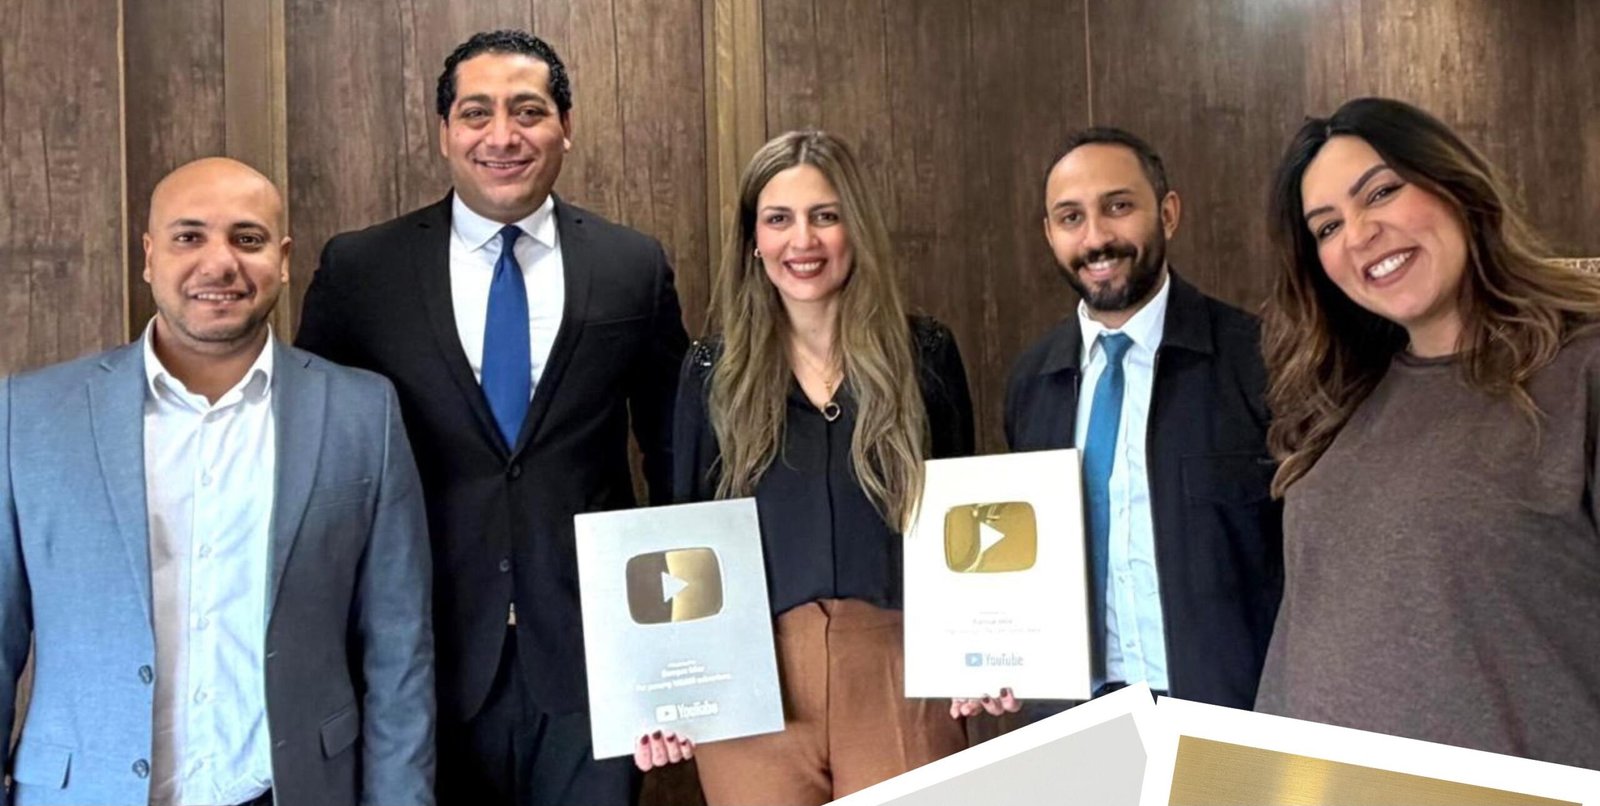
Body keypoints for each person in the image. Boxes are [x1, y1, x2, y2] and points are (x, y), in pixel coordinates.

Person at [295, 29, 688, 805]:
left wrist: (678, 660)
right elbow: (315, 464)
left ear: (565, 126)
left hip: (592, 666)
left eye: (528, 111)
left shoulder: (631, 265)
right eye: (476, 113)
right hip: (419, 663)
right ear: (444, 132)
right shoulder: (361, 271)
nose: (502, 136)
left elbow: (676, 454)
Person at [0, 158, 435, 806]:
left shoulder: (361, 412)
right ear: (150, 256)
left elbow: (400, 651)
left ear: (282, 260)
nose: (219, 263)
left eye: (247, 238)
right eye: (189, 236)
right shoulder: (30, 415)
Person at [1255, 97, 1600, 770]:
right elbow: (1303, 639)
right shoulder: (1343, 402)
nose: (1359, 235)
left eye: (1381, 192)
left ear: (1454, 185)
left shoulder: (1582, 373)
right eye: (1327, 227)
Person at [636, 130, 974, 804]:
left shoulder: (925, 356)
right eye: (779, 219)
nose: (803, 241)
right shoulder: (711, 375)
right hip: (750, 684)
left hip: (900, 672)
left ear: (857, 227)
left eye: (825, 215)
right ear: (753, 240)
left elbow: (963, 525)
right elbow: (682, 546)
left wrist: (977, 655)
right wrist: (664, 694)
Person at [957, 127, 1282, 721]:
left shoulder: (1258, 361)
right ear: (1050, 234)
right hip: (1076, 726)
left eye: (1118, 206)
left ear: (1168, 213)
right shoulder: (1031, 381)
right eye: (1071, 218)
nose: (1096, 238)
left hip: (1227, 722)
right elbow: (1021, 562)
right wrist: (1000, 660)